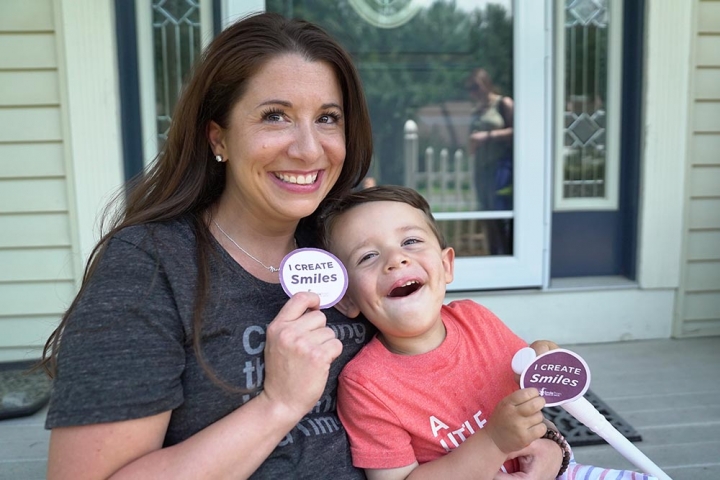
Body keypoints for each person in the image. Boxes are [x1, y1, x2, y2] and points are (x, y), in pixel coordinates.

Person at [40, 12, 373, 479]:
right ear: (219, 137)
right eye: (275, 116)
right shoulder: (150, 267)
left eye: (327, 118)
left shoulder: (354, 245)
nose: (309, 149)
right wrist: (277, 405)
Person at [320, 185, 658, 480]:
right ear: (348, 297)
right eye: (368, 256)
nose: (396, 260)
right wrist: (493, 441)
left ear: (447, 265)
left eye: (410, 241)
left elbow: (529, 398)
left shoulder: (477, 321)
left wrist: (541, 364)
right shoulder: (365, 385)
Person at [466, 68, 514, 255]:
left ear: (486, 84)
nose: (473, 92)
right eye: (469, 89)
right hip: (481, 167)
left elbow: (518, 131)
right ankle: (494, 255)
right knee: (486, 212)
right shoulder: (476, 110)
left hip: (501, 165)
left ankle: (509, 255)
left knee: (500, 210)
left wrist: (486, 136)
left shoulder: (503, 103)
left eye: (475, 87)